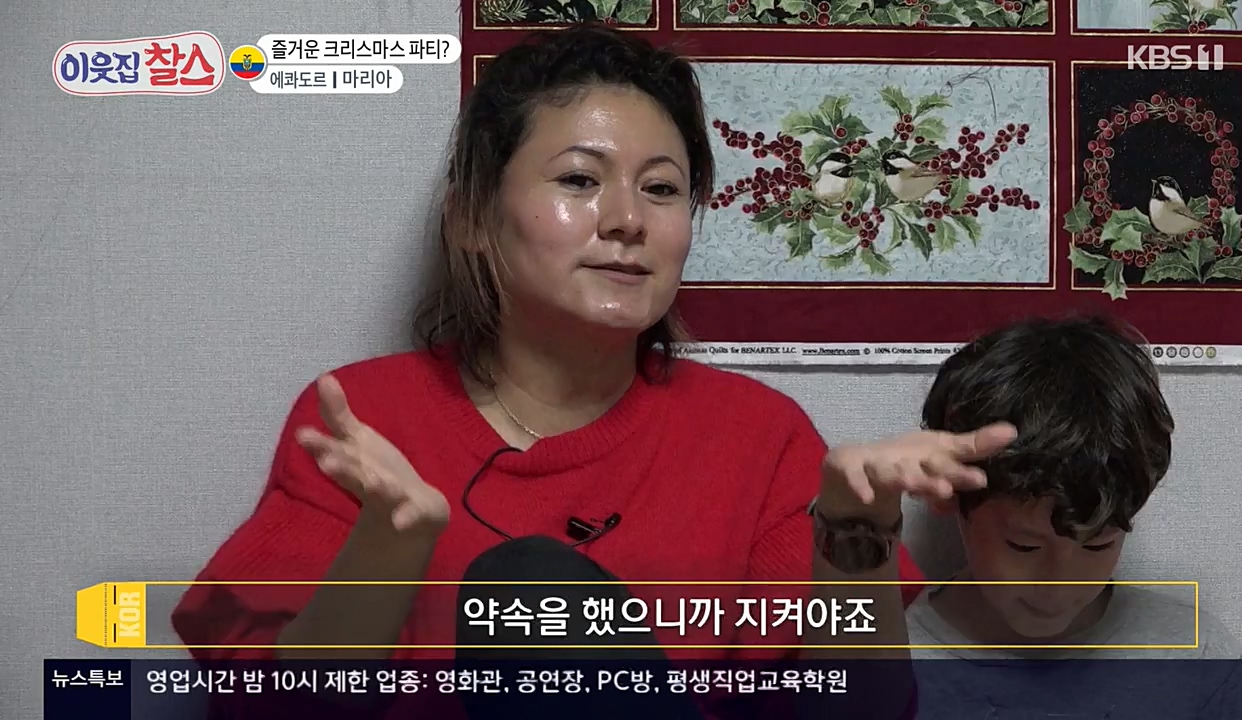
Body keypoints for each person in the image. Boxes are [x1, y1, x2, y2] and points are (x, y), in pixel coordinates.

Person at [170, 22, 1017, 720]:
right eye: (579, 179)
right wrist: (388, 547)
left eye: (662, 190)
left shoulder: (759, 437)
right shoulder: (361, 419)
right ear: (472, 219)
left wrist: (855, 537)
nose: (626, 221)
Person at [903, 315, 1242, 718]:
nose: (1059, 586)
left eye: (1098, 545)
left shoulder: (1196, 660)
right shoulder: (884, 656)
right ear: (949, 494)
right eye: (1025, 545)